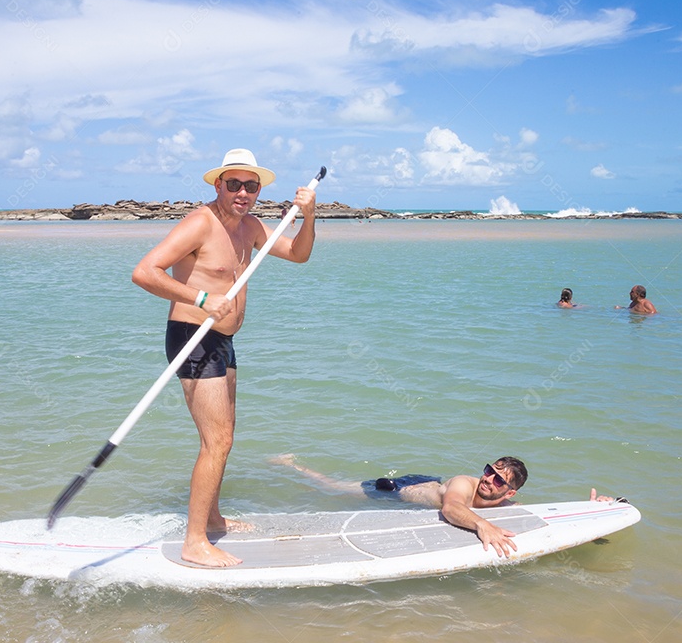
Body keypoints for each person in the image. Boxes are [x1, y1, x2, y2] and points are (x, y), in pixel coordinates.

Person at [132, 149, 317, 567]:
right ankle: (194, 541)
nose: (242, 192)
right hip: (191, 336)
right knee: (217, 440)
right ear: (218, 185)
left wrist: (307, 217)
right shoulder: (200, 223)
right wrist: (201, 296)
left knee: (223, 438)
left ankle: (212, 519)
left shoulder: (250, 226)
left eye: (250, 186)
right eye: (233, 184)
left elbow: (299, 254)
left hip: (223, 341)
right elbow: (145, 272)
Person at [271, 454, 621, 559]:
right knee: (336, 490)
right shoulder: (464, 483)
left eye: (499, 480)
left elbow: (540, 522)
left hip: (427, 487)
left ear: (510, 493)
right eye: (489, 471)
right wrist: (482, 525)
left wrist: (591, 519)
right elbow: (451, 509)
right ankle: (293, 466)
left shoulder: (505, 504)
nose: (489, 480)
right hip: (398, 489)